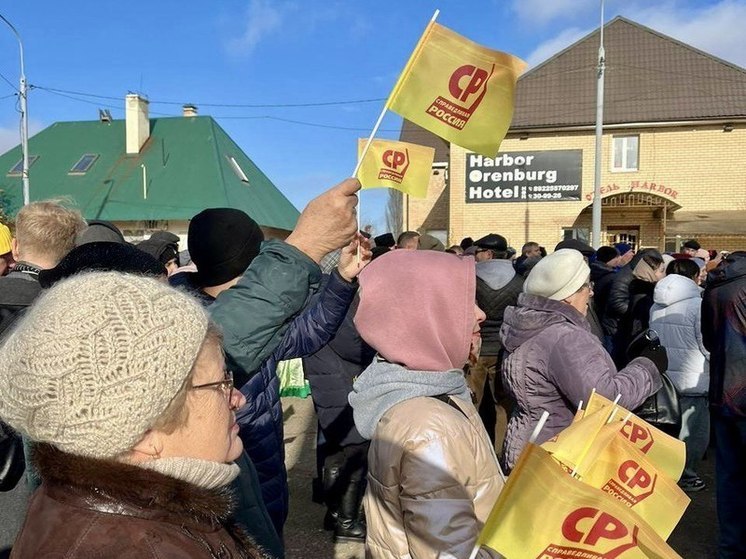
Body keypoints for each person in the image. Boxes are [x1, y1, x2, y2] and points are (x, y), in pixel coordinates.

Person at [0, 273, 265, 558]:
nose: (239, 398)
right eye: (221, 384)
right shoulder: (138, 547)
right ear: (144, 432)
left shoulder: (84, 503)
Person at [349, 250, 504, 558]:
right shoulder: (431, 427)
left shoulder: (430, 390)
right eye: (464, 304)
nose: (480, 314)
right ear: (425, 316)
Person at [500, 249, 664, 471]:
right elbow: (604, 398)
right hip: (562, 457)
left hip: (528, 444)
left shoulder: (527, 325)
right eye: (587, 285)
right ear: (568, 294)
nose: (592, 293)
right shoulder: (565, 337)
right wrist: (647, 366)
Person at [649, 258, 709, 492]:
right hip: (693, 378)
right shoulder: (698, 305)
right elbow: (706, 344)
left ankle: (666, 474)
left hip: (665, 376)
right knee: (692, 434)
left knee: (667, 431)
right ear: (694, 277)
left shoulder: (656, 303)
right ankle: (687, 476)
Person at [701, 251, 746, 559]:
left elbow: (707, 340)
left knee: (729, 476)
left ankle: (730, 547)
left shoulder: (716, 286)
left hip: (722, 391)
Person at [469, 232, 523, 454]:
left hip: (476, 352)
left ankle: (472, 453)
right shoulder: (520, 281)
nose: (475, 256)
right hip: (504, 350)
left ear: (489, 253)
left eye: (478, 252)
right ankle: (501, 453)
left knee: (470, 406)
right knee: (504, 407)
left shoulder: (470, 279)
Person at [613, 249, 666, 366]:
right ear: (649, 272)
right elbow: (638, 327)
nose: (664, 275)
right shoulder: (643, 295)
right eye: (661, 271)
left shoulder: (644, 290)